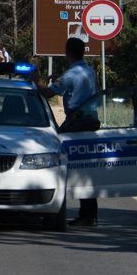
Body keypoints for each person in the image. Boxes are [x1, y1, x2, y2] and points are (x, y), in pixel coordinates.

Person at [49, 36, 100, 227]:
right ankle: (89, 215)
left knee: (57, 157)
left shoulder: (70, 75)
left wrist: (35, 81)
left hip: (76, 122)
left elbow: (47, 93)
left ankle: (55, 204)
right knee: (86, 168)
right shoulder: (90, 71)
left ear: (67, 52)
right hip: (91, 121)